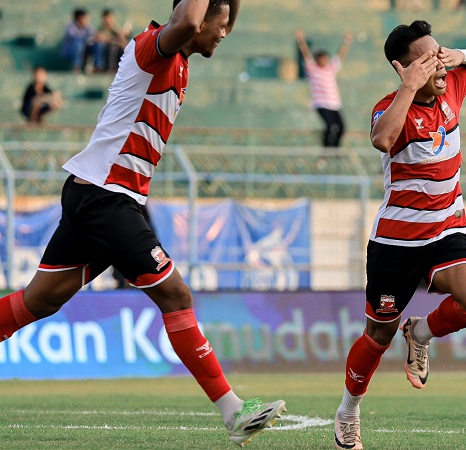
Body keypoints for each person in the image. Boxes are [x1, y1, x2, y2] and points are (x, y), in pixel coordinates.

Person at [0, 0, 285, 447]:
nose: (225, 33)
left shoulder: (181, 59)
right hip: (105, 197)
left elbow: (203, 21)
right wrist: (200, 14)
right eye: (221, 24)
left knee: (39, 301)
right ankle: (233, 413)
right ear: (194, 19)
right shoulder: (153, 48)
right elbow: (190, 19)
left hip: (99, 194)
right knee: (176, 293)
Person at [333, 20, 466, 449]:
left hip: (446, 230)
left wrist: (459, 55)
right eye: (429, 59)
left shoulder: (453, 83)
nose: (439, 65)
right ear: (403, 68)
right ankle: (348, 411)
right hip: (396, 244)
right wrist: (409, 87)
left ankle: (420, 333)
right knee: (376, 336)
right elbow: (381, 139)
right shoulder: (391, 108)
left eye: (439, 54)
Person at [295, 30, 353, 148]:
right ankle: (326, 150)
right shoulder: (313, 69)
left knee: (341, 127)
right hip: (320, 103)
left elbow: (339, 56)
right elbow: (306, 54)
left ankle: (335, 150)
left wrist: (346, 42)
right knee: (330, 126)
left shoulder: (330, 68)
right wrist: (301, 40)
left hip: (334, 103)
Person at [94, 8, 131, 73]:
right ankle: (102, 67)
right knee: (112, 47)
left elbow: (124, 42)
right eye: (108, 18)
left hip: (116, 51)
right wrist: (116, 41)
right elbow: (102, 38)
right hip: (106, 50)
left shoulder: (115, 29)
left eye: (111, 18)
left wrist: (121, 36)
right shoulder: (101, 28)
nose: (109, 20)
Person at [60, 8, 97, 73]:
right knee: (78, 42)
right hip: (70, 51)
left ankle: (97, 67)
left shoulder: (87, 27)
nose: (87, 20)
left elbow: (94, 35)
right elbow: (75, 37)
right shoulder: (70, 26)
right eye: (85, 18)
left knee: (98, 45)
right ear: (80, 18)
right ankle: (76, 67)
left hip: (84, 50)